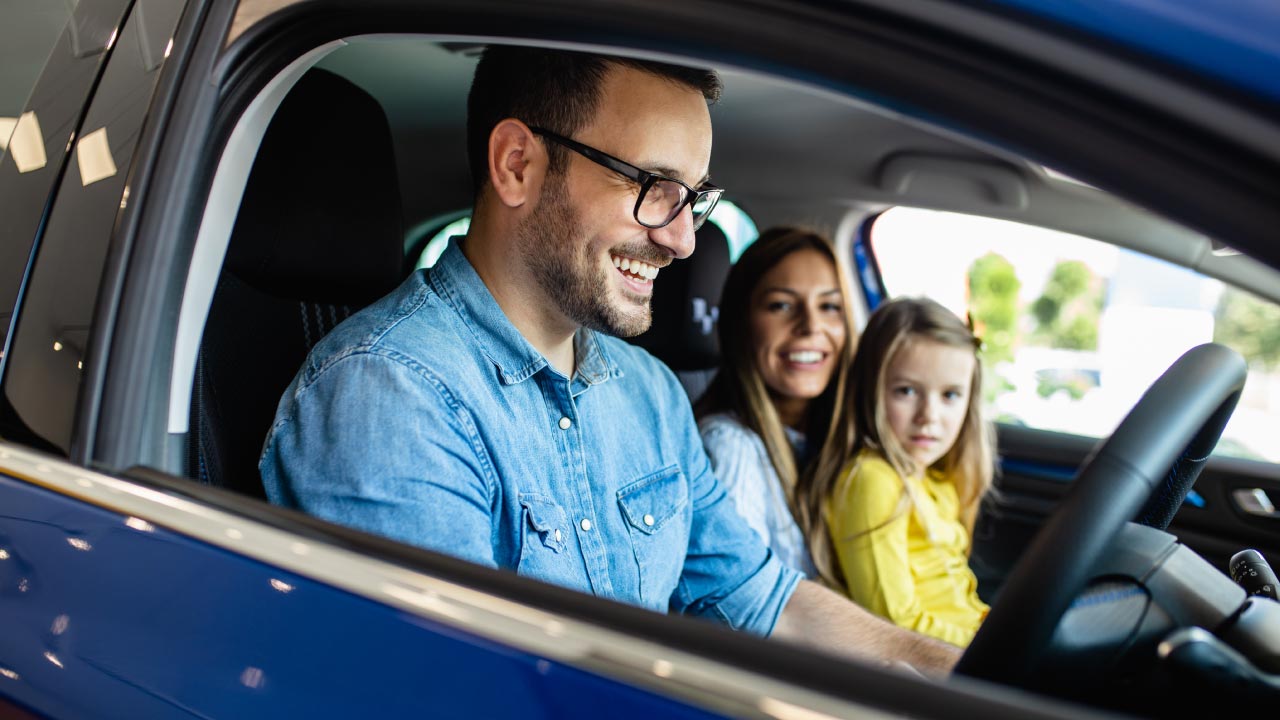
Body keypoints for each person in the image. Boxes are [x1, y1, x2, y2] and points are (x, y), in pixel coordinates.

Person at [260, 45, 958, 673]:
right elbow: (452, 688)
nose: (683, 240)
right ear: (517, 165)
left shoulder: (649, 393)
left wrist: (956, 678)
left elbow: (770, 606)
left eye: (694, 197)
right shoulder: (389, 391)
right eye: (651, 184)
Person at [810, 297, 994, 647]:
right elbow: (894, 621)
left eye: (950, 395)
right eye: (906, 391)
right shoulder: (872, 479)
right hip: (930, 662)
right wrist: (989, 648)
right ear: (871, 392)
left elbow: (956, 601)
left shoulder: (937, 480)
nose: (930, 415)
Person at [695, 227, 855, 579]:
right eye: (781, 306)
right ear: (742, 323)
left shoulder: (834, 441)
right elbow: (739, 607)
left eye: (829, 306)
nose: (811, 326)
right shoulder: (731, 447)